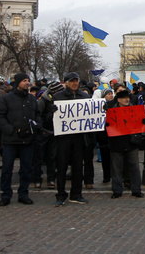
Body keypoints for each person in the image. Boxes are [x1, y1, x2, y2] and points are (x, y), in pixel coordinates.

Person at [0, 73, 41, 206]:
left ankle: (23, 193)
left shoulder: (31, 100)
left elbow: (37, 115)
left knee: (26, 169)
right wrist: (10, 130)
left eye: (28, 81)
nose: (27, 83)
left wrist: (37, 126)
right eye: (25, 81)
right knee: (7, 168)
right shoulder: (7, 99)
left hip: (28, 140)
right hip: (11, 140)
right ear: (18, 82)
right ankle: (6, 195)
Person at [51, 72, 90, 206]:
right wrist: (52, 111)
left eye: (76, 81)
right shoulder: (58, 97)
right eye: (72, 81)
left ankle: (76, 194)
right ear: (66, 82)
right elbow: (48, 119)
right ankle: (61, 194)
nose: (74, 83)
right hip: (63, 138)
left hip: (79, 138)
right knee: (61, 167)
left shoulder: (84, 96)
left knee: (78, 167)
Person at [106, 90, 143, 199]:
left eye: (128, 98)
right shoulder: (112, 110)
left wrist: (143, 122)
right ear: (118, 100)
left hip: (131, 142)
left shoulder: (134, 110)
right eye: (124, 98)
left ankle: (136, 189)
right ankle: (117, 190)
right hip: (116, 142)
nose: (127, 100)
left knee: (135, 166)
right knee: (116, 168)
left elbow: (139, 123)